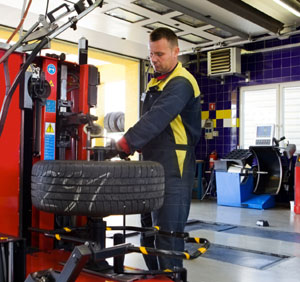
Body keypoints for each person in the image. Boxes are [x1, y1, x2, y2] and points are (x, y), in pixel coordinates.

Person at [116, 27, 202, 270]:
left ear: (176, 52)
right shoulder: (156, 81)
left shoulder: (182, 82)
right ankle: (155, 277)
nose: (154, 60)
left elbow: (157, 117)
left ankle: (170, 277)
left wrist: (126, 143)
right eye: (151, 54)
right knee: (148, 234)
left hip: (174, 166)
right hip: (151, 167)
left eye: (160, 54)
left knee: (168, 236)